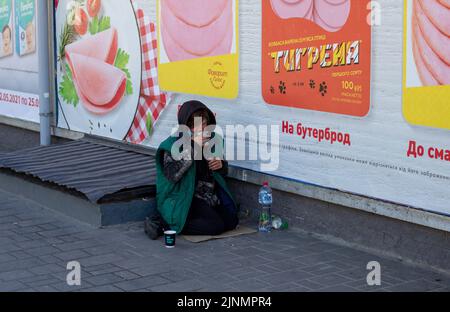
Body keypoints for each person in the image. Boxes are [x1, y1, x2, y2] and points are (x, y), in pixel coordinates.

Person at [144, 100, 239, 239]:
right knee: (215, 226)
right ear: (186, 128)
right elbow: (172, 175)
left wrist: (221, 165)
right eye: (197, 127)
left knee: (231, 221)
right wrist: (194, 147)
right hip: (183, 197)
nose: (203, 130)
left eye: (205, 124)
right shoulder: (171, 145)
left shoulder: (214, 140)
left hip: (206, 196)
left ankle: (181, 222)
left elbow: (222, 174)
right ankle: (165, 224)